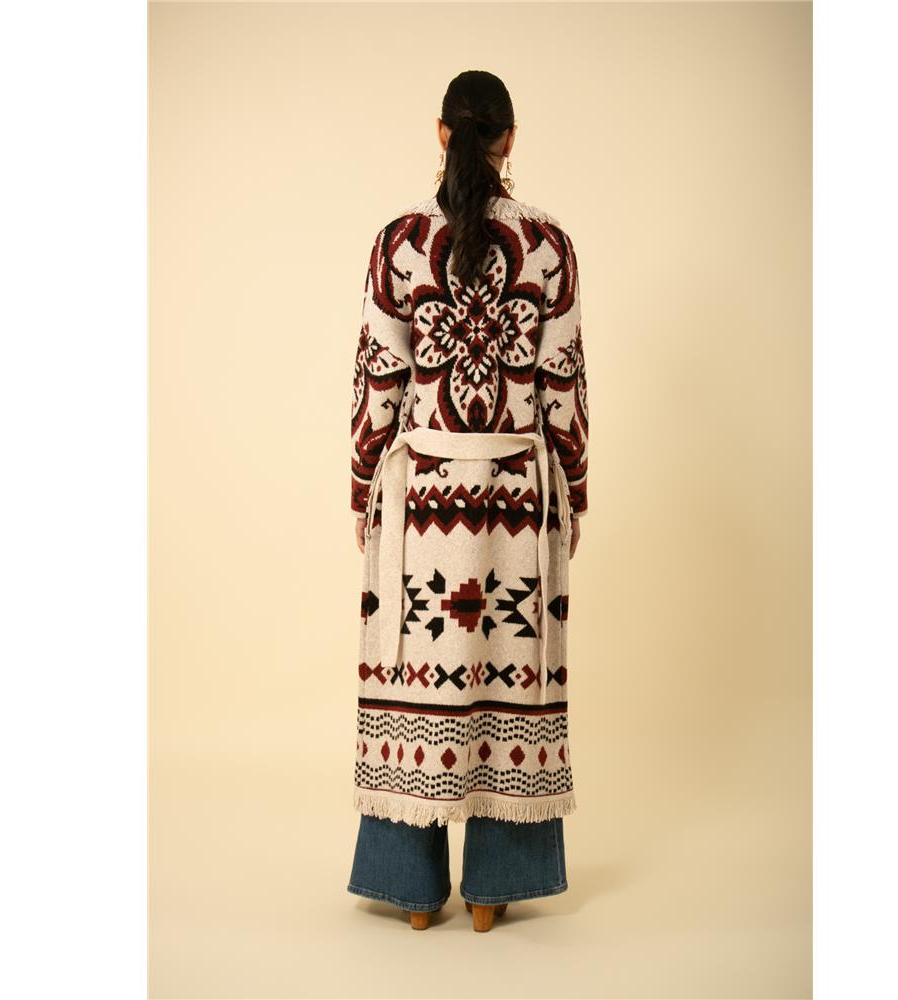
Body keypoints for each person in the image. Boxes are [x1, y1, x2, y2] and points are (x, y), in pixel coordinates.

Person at [346, 70, 589, 932]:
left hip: (424, 503)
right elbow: (563, 384)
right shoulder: (550, 245)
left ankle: (412, 893)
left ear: (442, 133)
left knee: (416, 678)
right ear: (509, 139)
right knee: (509, 680)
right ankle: (493, 889)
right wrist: (574, 492)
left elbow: (379, 377)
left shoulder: (399, 241)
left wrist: (363, 486)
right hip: (517, 497)